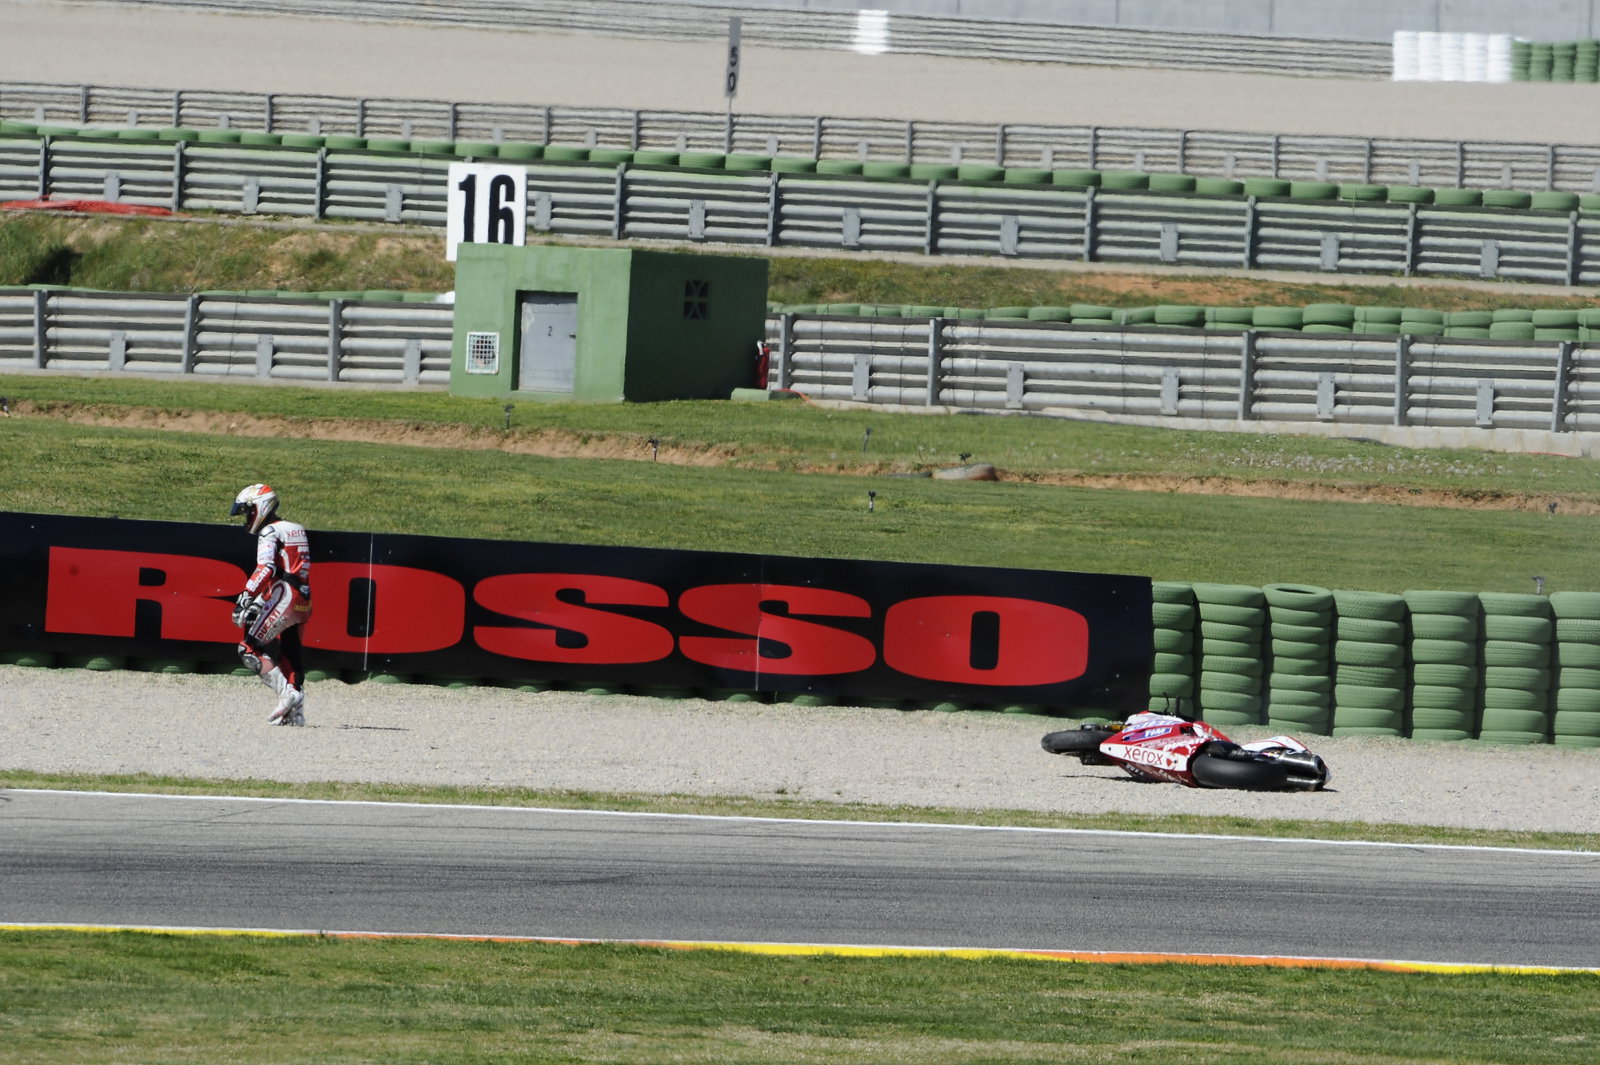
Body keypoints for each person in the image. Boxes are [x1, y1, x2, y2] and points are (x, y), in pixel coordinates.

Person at [228, 483, 313, 726]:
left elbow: (267, 567)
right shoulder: (296, 529)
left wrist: (246, 595)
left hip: (284, 596)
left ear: (260, 507)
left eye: (249, 511)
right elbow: (291, 569)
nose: (247, 518)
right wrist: (261, 600)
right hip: (303, 598)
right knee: (290, 651)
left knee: (248, 649)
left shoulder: (270, 532)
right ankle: (295, 713)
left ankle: (288, 696)